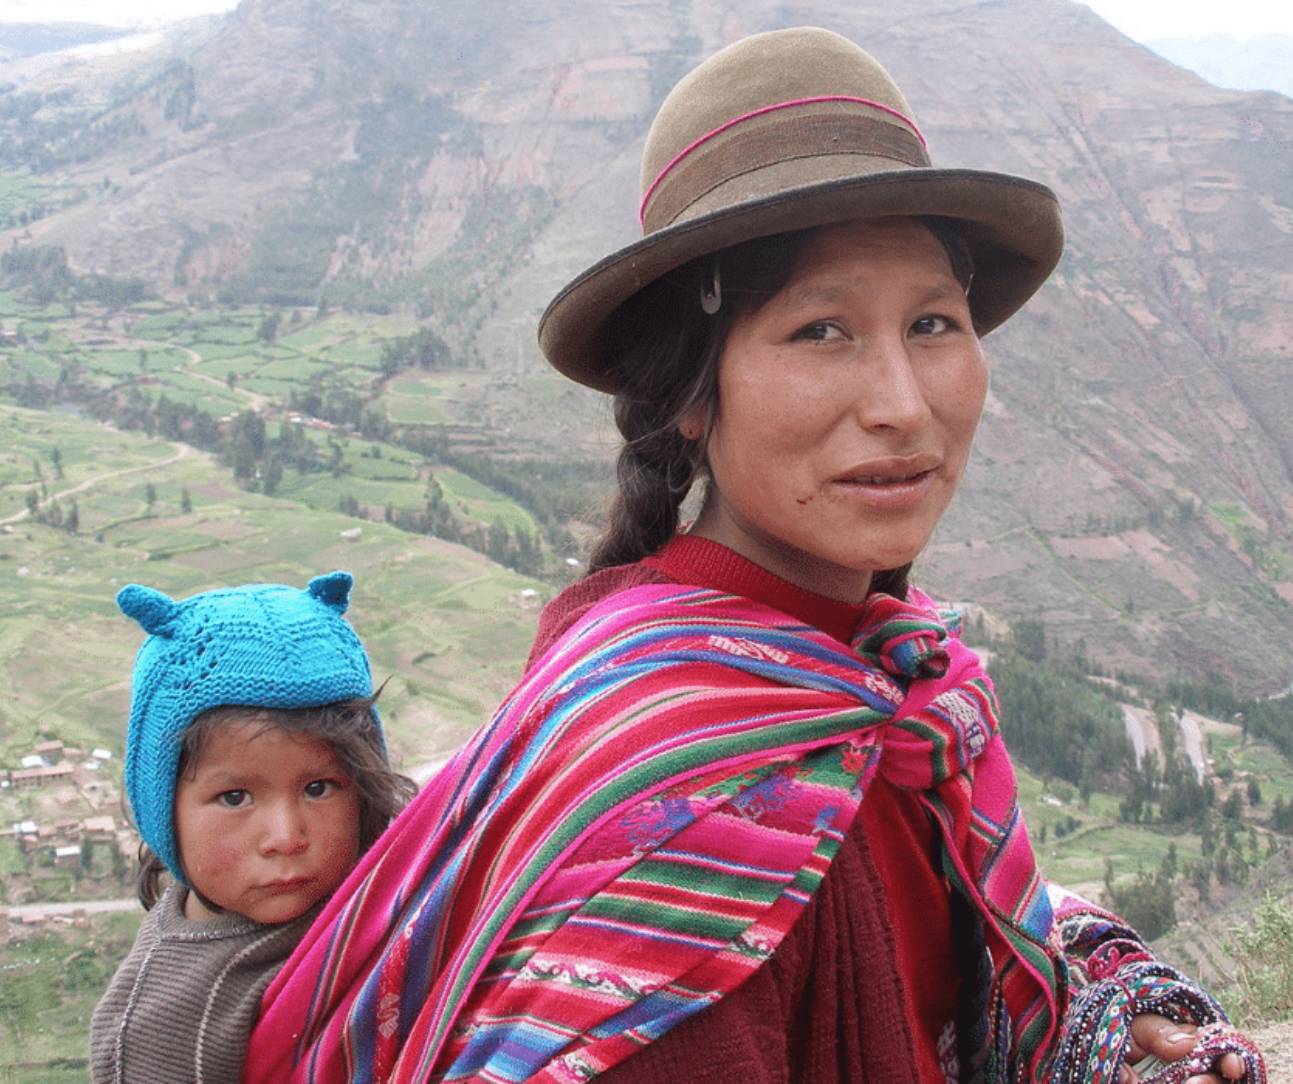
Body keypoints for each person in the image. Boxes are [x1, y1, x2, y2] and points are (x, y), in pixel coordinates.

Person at [245, 28, 1266, 1083]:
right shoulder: (693, 830)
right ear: (691, 392)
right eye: (820, 331)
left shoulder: (877, 680)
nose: (904, 406)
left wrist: (1093, 1000)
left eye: (932, 322)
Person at [90, 571, 415, 1084]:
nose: (286, 837)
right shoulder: (165, 1026)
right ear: (163, 807)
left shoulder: (400, 887)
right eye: (235, 797)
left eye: (319, 788)